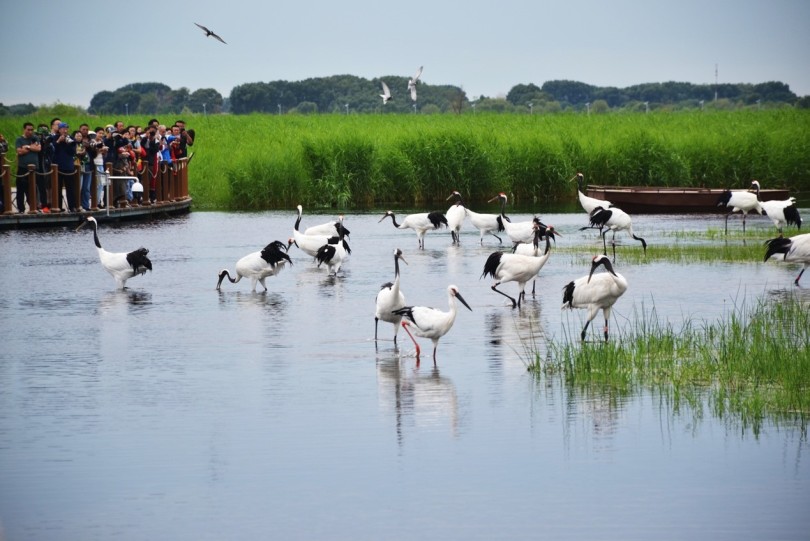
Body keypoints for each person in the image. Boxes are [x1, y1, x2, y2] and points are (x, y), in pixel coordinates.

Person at [15, 122, 42, 213]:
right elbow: (20, 152)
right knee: (21, 189)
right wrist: (31, 148)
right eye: (28, 130)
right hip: (23, 167)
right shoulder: (19, 139)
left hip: (34, 168)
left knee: (34, 188)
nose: (30, 132)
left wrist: (27, 147)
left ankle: (34, 207)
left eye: (32, 130)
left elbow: (38, 149)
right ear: (24, 129)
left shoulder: (35, 138)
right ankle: (21, 209)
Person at [50, 122, 78, 212]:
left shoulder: (71, 138)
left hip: (69, 167)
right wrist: (58, 141)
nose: (65, 130)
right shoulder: (54, 138)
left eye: (66, 128)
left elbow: (72, 152)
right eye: (63, 128)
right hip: (57, 167)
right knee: (57, 188)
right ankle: (58, 206)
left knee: (70, 188)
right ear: (59, 129)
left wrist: (67, 142)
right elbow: (52, 150)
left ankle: (72, 206)